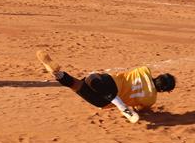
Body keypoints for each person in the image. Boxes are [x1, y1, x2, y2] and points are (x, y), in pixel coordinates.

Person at [36, 50, 176, 123]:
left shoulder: (144, 70)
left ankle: (57, 73)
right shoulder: (151, 99)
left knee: (83, 82)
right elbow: (142, 108)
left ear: (159, 76)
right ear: (165, 90)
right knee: (77, 85)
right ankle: (121, 106)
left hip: (108, 81)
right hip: (103, 101)